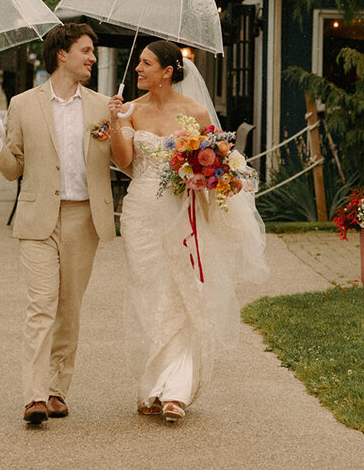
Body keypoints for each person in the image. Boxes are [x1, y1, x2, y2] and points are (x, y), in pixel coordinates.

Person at [108, 39, 267, 424]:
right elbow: (124, 160)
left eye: (146, 64)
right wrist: (116, 122)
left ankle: (175, 391)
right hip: (141, 213)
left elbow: (219, 166)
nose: (138, 70)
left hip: (183, 211)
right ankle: (152, 385)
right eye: (138, 63)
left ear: (167, 71)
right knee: (148, 293)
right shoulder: (129, 110)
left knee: (181, 293)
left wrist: (203, 174)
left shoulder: (195, 111)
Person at [0, 23, 115, 426]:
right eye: (86, 51)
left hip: (85, 217)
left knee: (69, 308)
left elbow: (120, 159)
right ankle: (34, 396)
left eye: (92, 52)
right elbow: (12, 169)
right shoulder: (24, 104)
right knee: (40, 306)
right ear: (63, 55)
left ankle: (58, 390)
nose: (92, 58)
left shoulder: (101, 107)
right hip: (39, 219)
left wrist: (121, 124)